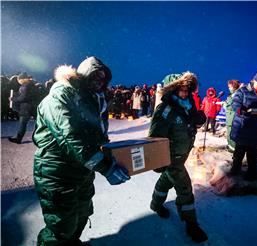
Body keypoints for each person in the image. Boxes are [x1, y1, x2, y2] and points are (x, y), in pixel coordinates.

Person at [33, 56, 130, 246]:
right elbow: (72, 138)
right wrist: (105, 167)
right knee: (60, 226)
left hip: (82, 171)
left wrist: (112, 155)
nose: (98, 82)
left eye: (102, 79)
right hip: (58, 172)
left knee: (81, 214)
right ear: (84, 75)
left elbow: (96, 134)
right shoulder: (61, 95)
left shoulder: (90, 99)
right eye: (95, 76)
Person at [149, 72, 208, 243]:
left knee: (165, 181)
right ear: (172, 90)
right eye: (180, 90)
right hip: (171, 157)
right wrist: (158, 160)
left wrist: (197, 121)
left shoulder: (187, 106)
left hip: (182, 155)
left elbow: (188, 128)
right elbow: (155, 137)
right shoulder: (166, 110)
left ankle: (156, 204)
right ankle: (191, 225)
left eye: (186, 89)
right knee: (185, 189)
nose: (184, 93)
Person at [8, 72, 37, 144]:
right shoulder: (31, 85)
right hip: (32, 106)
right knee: (37, 123)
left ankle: (18, 138)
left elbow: (23, 97)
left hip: (25, 108)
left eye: (19, 79)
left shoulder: (25, 86)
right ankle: (38, 138)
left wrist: (13, 99)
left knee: (22, 124)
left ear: (22, 79)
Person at [223, 79, 242, 152]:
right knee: (229, 135)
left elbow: (232, 106)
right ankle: (230, 147)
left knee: (232, 136)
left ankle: (232, 150)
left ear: (234, 87)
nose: (229, 88)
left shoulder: (237, 95)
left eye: (230, 87)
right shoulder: (232, 95)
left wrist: (225, 105)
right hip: (230, 119)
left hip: (233, 119)